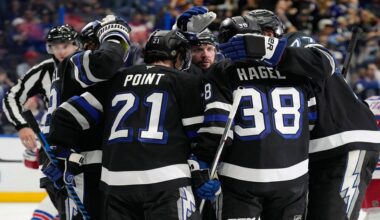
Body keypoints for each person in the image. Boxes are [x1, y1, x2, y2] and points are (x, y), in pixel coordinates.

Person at [219, 10, 380, 220]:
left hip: (343, 140)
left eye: (245, 38)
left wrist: (264, 48)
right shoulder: (254, 70)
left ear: (269, 32)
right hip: (310, 153)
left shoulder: (295, 41)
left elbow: (325, 62)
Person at [47, 29, 204, 219]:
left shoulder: (116, 80)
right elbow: (200, 136)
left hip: (115, 184)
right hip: (167, 181)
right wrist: (201, 170)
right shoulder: (185, 81)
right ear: (178, 55)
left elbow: (65, 116)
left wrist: (62, 155)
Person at [193, 11, 335, 220]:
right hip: (293, 177)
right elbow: (312, 120)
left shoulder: (223, 70)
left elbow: (218, 126)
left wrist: (201, 163)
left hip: (239, 178)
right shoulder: (297, 69)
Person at [41, 15, 131, 220]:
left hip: (77, 162)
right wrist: (115, 35)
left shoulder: (67, 69)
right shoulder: (78, 61)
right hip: (81, 165)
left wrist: (49, 157)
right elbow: (106, 62)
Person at [2, 24, 79, 220]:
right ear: (49, 48)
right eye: (55, 46)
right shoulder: (44, 70)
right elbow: (12, 97)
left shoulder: (92, 65)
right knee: (59, 194)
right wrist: (21, 126)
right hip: (56, 145)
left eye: (65, 45)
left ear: (76, 44)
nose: (60, 51)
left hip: (89, 145)